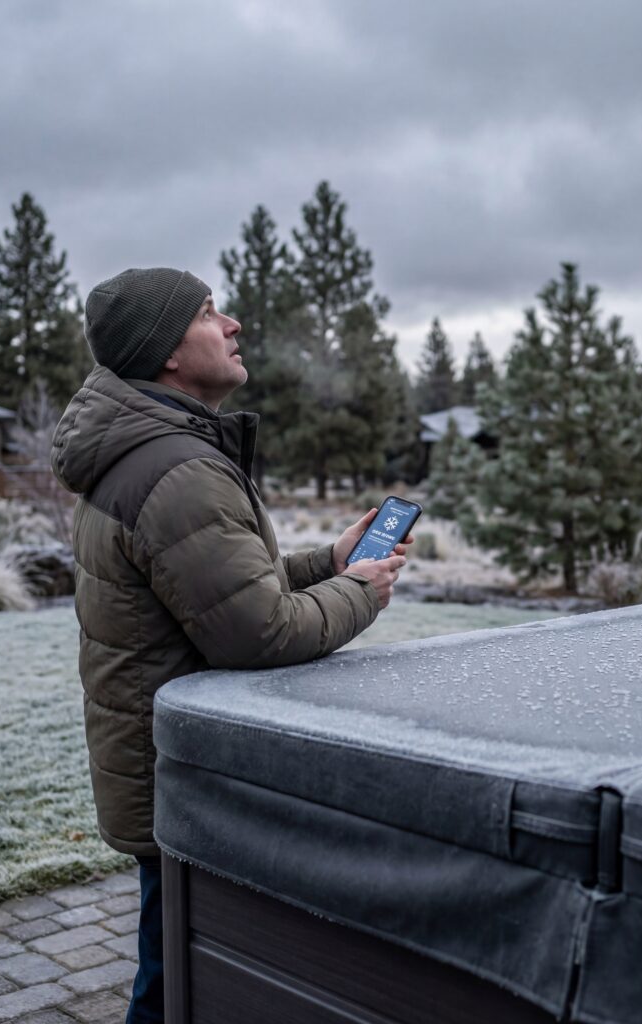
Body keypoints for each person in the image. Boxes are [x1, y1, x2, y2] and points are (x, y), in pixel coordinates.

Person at [51, 267, 408, 1024]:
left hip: (169, 771)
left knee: (174, 969)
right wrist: (363, 592)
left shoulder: (147, 453)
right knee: (178, 988)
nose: (235, 324)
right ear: (167, 353)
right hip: (190, 783)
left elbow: (209, 587)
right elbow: (262, 632)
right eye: (211, 313)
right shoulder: (176, 470)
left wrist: (329, 564)